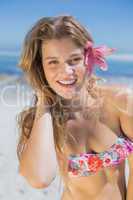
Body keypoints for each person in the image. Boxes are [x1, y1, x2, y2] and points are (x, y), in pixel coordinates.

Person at [17, 15, 133, 200]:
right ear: (41, 67)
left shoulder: (120, 102)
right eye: (53, 62)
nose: (66, 72)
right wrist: (44, 100)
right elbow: (39, 179)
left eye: (74, 59)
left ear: (89, 58)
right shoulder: (42, 121)